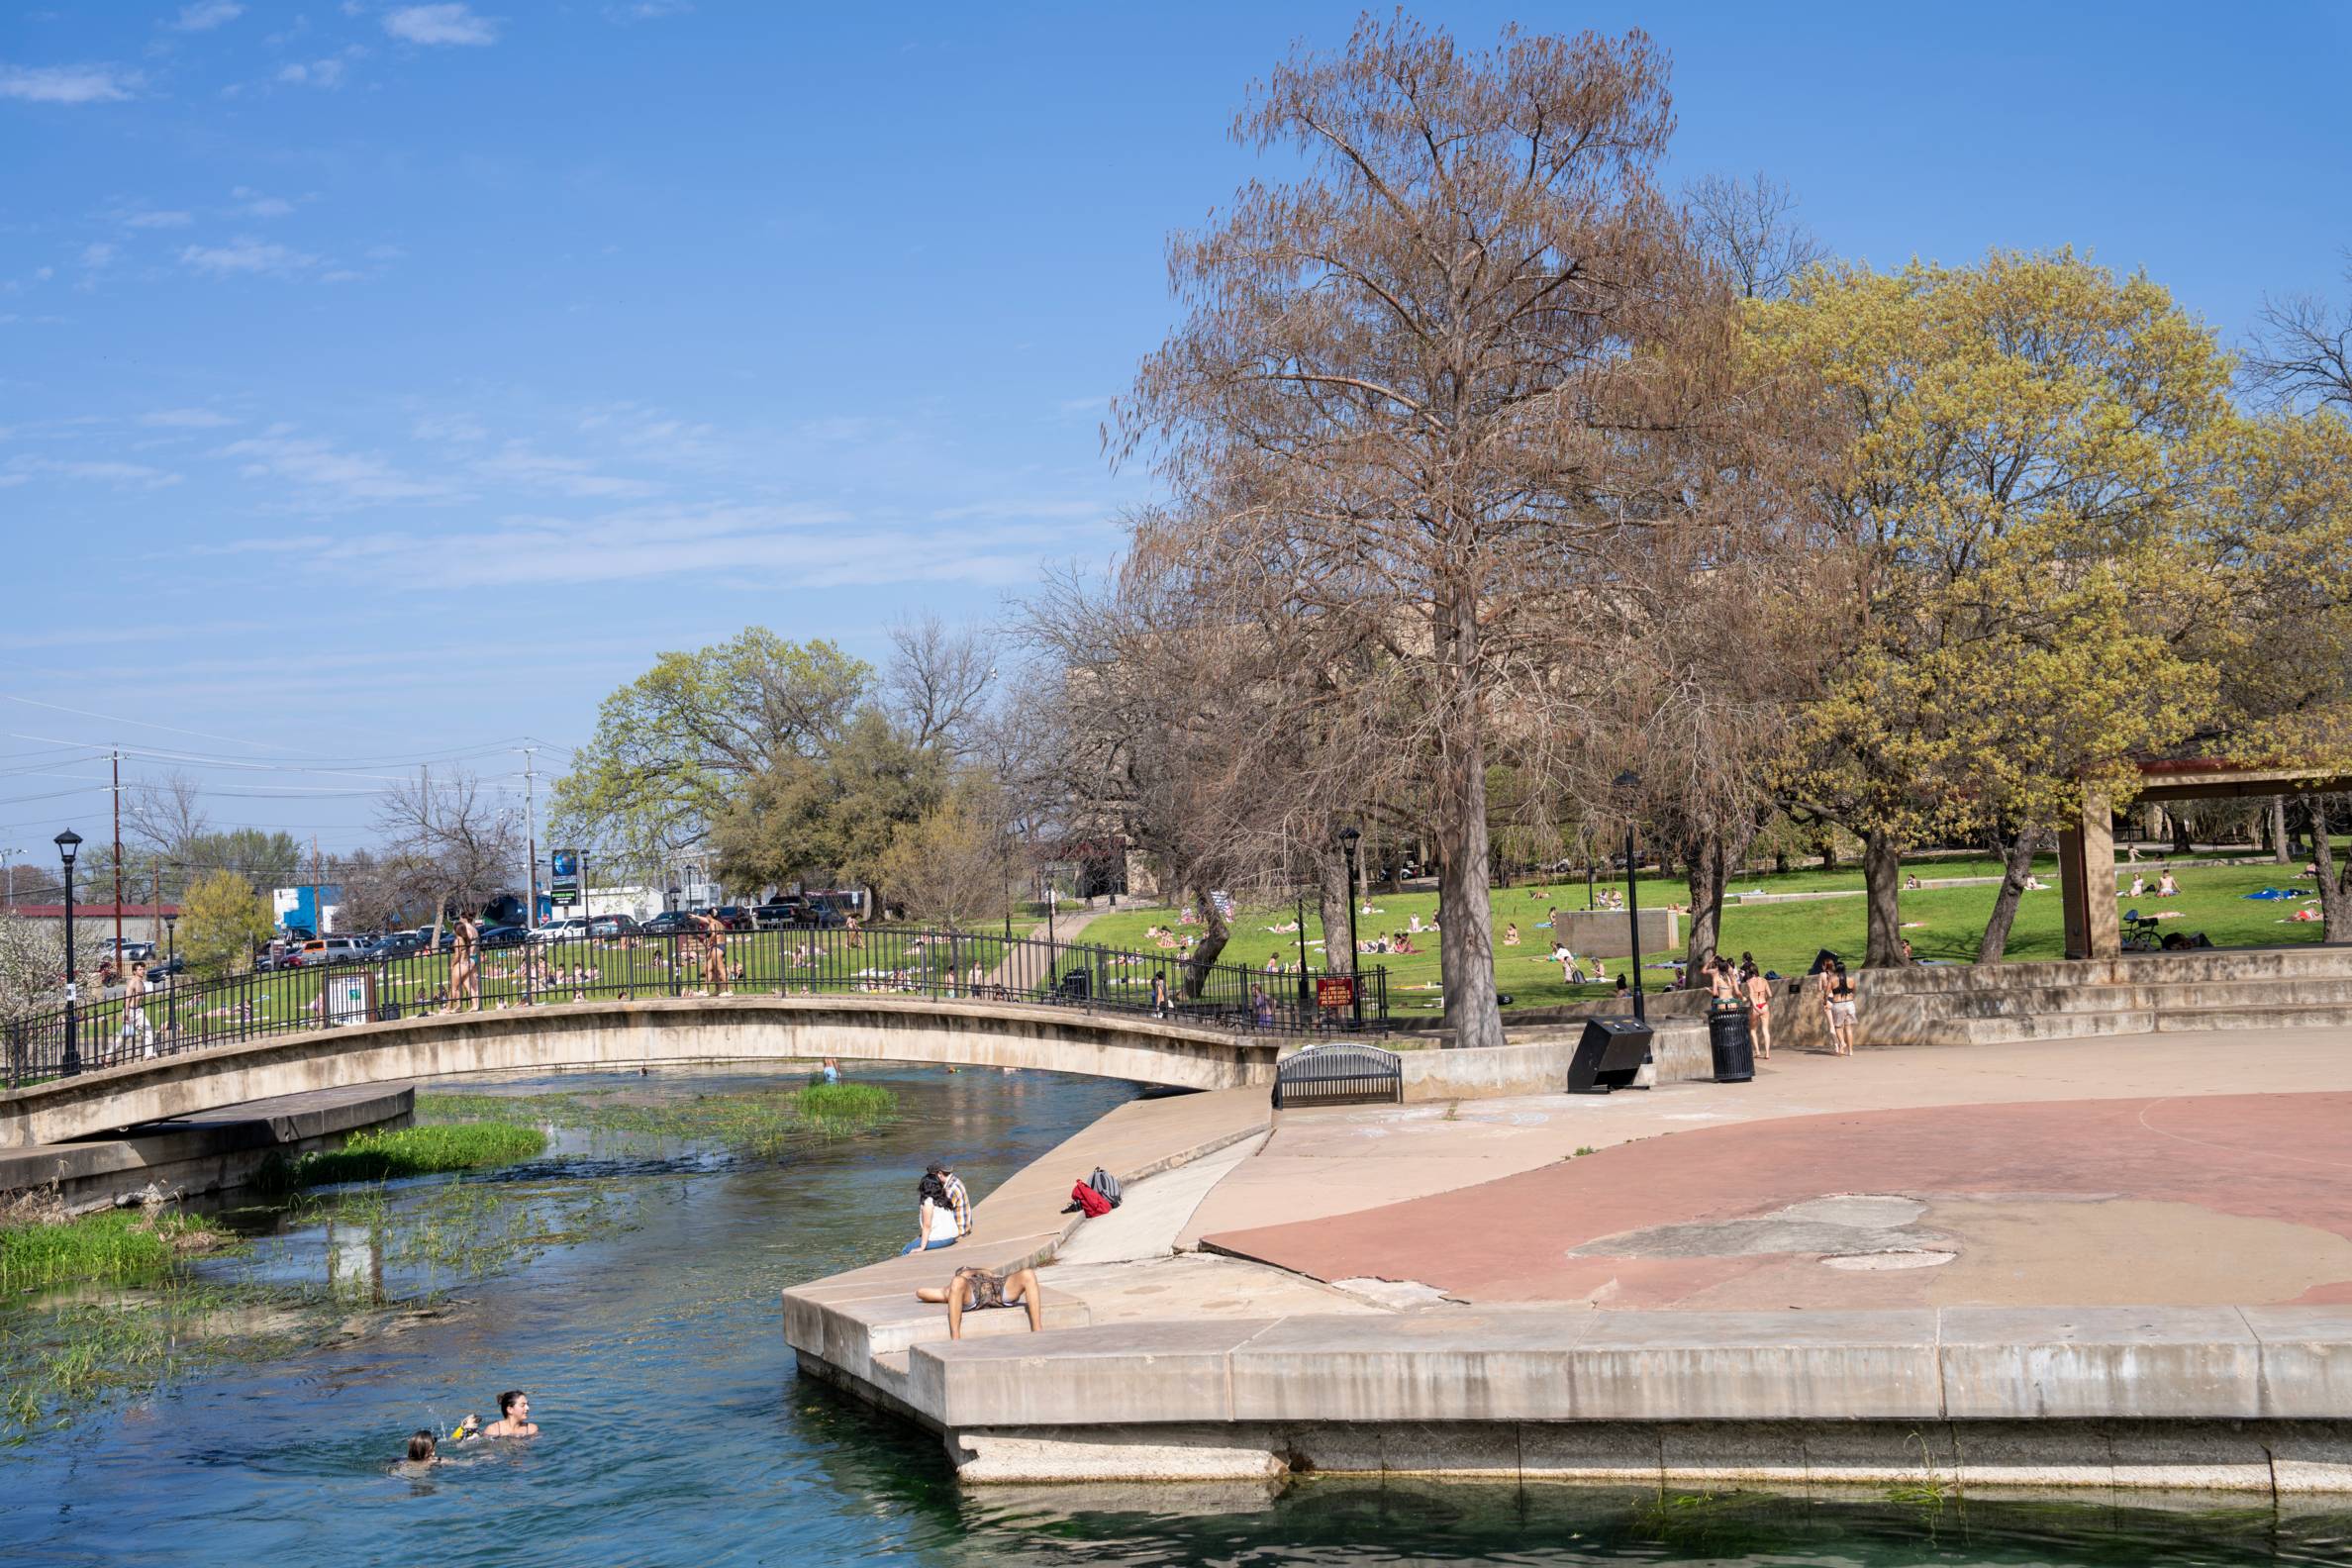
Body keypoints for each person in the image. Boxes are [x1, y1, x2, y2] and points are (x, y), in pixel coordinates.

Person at [915, 1264, 1042, 1340]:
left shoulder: (987, 1273)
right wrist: (951, 1288)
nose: (966, 1268)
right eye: (963, 1269)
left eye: (966, 1268)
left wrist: (981, 1272)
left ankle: (1038, 1330)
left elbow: (1002, 1277)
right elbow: (920, 1292)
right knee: (957, 1282)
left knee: (1028, 1274)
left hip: (998, 1287)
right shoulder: (956, 1284)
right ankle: (956, 1339)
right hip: (973, 1293)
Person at [901, 1170, 960, 1254]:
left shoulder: (928, 1202)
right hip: (952, 1236)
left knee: (906, 1249)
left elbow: (927, 1226)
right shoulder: (944, 1199)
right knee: (917, 1241)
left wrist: (922, 1247)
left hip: (942, 1239)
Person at [120, 961, 155, 1058]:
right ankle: (108, 1056)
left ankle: (149, 1055)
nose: (142, 971)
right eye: (140, 969)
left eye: (143, 969)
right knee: (124, 1037)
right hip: (130, 1011)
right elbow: (127, 999)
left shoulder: (141, 982)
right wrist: (126, 1015)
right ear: (134, 972)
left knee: (148, 1030)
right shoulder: (132, 982)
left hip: (139, 1011)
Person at [1822, 962, 1858, 1056]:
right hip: (1850, 1004)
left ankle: (1842, 1042)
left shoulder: (1832, 979)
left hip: (1838, 1004)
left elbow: (1826, 993)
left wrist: (1825, 1002)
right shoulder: (1851, 979)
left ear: (1836, 970)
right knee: (1848, 1028)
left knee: (1838, 1026)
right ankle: (1850, 1051)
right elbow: (1855, 991)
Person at [1742, 959, 1773, 1060]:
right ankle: (1767, 1053)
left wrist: (1755, 1006)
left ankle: (1758, 1051)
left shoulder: (1749, 982)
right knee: (1765, 1029)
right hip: (1764, 1005)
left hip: (1755, 1007)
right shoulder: (1764, 980)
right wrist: (1765, 1001)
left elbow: (1751, 996)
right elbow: (1770, 995)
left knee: (1752, 1030)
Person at [935, 1161, 973, 1241]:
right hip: (966, 1226)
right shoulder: (955, 1180)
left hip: (959, 1232)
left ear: (940, 1174)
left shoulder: (949, 1190)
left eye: (935, 1175)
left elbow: (942, 1213)